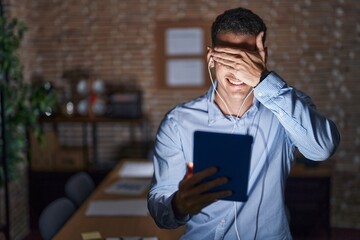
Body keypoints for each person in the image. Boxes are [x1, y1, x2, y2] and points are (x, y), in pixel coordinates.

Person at [147, 7, 340, 240]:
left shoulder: (286, 108)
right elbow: (160, 210)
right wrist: (178, 205)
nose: (238, 69)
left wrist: (265, 81)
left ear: (262, 58)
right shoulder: (178, 122)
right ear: (211, 58)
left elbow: (322, 149)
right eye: (229, 56)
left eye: (247, 58)